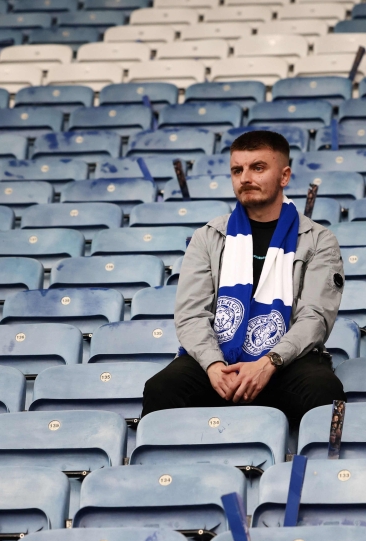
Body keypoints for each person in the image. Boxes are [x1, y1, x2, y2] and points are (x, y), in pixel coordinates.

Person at [141, 130, 346, 428]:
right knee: (162, 388)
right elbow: (191, 314)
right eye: (238, 170)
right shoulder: (209, 236)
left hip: (284, 362)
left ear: (284, 176)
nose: (245, 177)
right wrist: (213, 365)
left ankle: (319, 473)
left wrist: (269, 363)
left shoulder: (318, 240)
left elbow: (314, 318)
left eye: (258, 168)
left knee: (324, 391)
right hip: (218, 358)